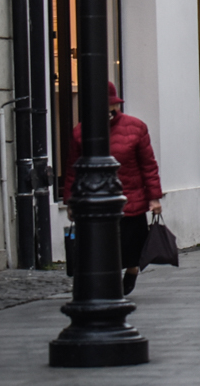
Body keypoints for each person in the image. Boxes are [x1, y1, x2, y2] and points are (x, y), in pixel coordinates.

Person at [62, 83, 163, 296]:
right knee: (102, 247)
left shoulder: (136, 127)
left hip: (130, 198)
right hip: (95, 200)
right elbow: (73, 168)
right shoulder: (81, 132)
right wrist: (70, 200)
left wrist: (154, 197)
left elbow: (148, 164)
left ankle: (132, 271)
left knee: (131, 246)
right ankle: (108, 282)